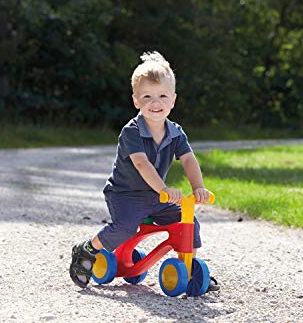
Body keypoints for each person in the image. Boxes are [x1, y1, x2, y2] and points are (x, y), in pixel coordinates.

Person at [69, 51, 219, 292]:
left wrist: (198, 187)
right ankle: (88, 248)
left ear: (173, 100)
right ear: (136, 101)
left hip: (157, 197)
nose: (155, 103)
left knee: (187, 220)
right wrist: (164, 188)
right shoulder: (132, 131)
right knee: (126, 227)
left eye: (162, 96)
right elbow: (142, 164)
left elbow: (189, 160)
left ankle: (189, 268)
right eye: (147, 96)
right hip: (126, 194)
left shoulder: (176, 132)